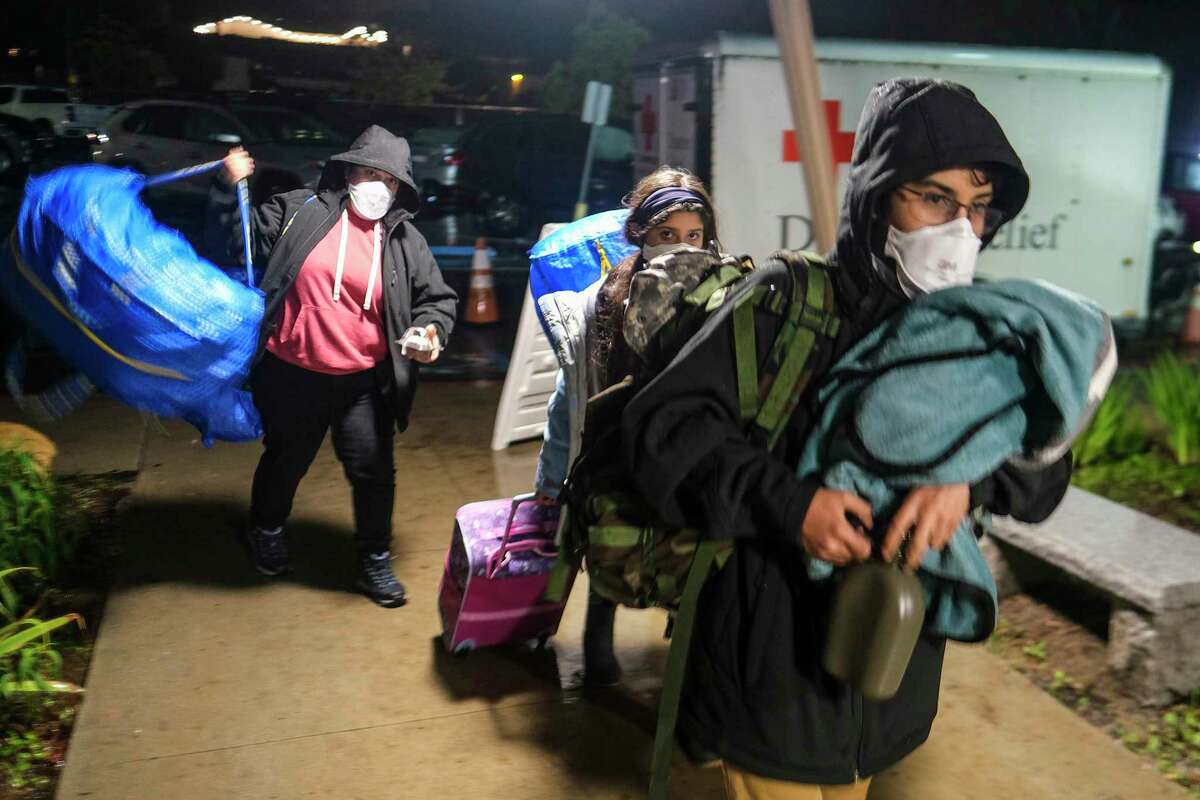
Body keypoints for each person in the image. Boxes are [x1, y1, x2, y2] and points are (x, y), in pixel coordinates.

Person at [622, 79, 1074, 798]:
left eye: (978, 207)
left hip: (886, 672)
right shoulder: (785, 304)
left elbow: (1047, 472)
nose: (961, 229)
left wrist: (969, 478)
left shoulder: (972, 333)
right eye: (934, 198)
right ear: (876, 197)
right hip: (772, 680)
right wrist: (789, 504)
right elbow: (658, 432)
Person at [204, 125, 457, 608]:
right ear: (347, 171)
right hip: (293, 371)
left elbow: (437, 301)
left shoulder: (405, 240)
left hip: (365, 380)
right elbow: (237, 245)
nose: (377, 186)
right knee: (286, 460)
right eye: (367, 172)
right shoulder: (299, 210)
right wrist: (224, 187)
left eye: (389, 179)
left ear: (401, 188)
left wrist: (430, 332)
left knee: (374, 471)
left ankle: (375, 560)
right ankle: (267, 528)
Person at [534, 166, 719, 684]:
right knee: (613, 553)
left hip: (692, 462)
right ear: (639, 233)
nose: (682, 247)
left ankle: (688, 652)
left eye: (693, 236)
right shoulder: (603, 305)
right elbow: (570, 399)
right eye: (666, 235)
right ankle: (598, 654)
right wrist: (552, 481)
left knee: (691, 561)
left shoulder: (726, 297)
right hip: (616, 461)